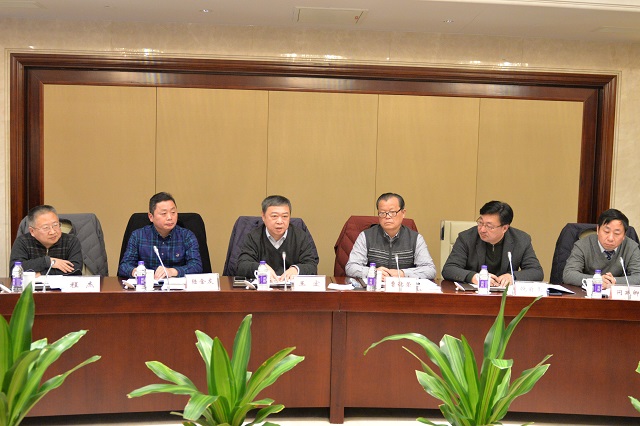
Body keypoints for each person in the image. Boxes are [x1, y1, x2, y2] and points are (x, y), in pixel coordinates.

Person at [442, 200, 543, 286]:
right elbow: (449, 269)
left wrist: (512, 276)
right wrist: (473, 277)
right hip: (474, 295)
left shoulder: (521, 240)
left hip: (506, 296)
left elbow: (536, 272)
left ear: (504, 228)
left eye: (489, 226)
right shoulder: (466, 238)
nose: (482, 229)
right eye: (480, 223)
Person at [345, 193, 436, 280]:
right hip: (374, 287)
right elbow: (351, 267)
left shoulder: (415, 238)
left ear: (403, 213)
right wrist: (374, 272)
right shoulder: (366, 236)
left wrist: (402, 273)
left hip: (402, 288)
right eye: (382, 213)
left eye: (392, 212)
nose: (387, 217)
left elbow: (430, 269)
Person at [118, 192, 202, 278]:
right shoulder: (138, 236)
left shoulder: (187, 236)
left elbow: (196, 266)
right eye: (164, 213)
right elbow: (124, 266)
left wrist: (172, 271)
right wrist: (135, 272)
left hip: (176, 285)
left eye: (173, 212)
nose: (170, 217)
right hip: (147, 285)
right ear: (151, 217)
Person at [236, 195, 318, 282]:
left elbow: (312, 265)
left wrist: (296, 269)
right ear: (263, 216)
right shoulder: (253, 237)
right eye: (274, 216)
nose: (279, 221)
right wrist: (260, 268)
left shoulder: (300, 236)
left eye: (285, 216)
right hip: (263, 288)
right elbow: (242, 265)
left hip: (290, 288)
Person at [563, 209, 640, 288]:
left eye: (617, 233)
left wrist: (613, 281)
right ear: (598, 230)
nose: (610, 238)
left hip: (618, 295)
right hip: (587, 293)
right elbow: (568, 275)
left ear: (624, 235)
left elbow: (638, 277)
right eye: (606, 231)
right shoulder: (582, 245)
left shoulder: (632, 247)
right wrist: (597, 280)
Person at [10, 205, 83, 276]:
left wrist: (42, 274)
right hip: (31, 284)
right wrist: (47, 261)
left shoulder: (71, 241)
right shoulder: (23, 242)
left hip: (63, 284)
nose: (53, 232)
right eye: (46, 228)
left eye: (55, 225)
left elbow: (76, 270)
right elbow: (15, 269)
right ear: (32, 231)